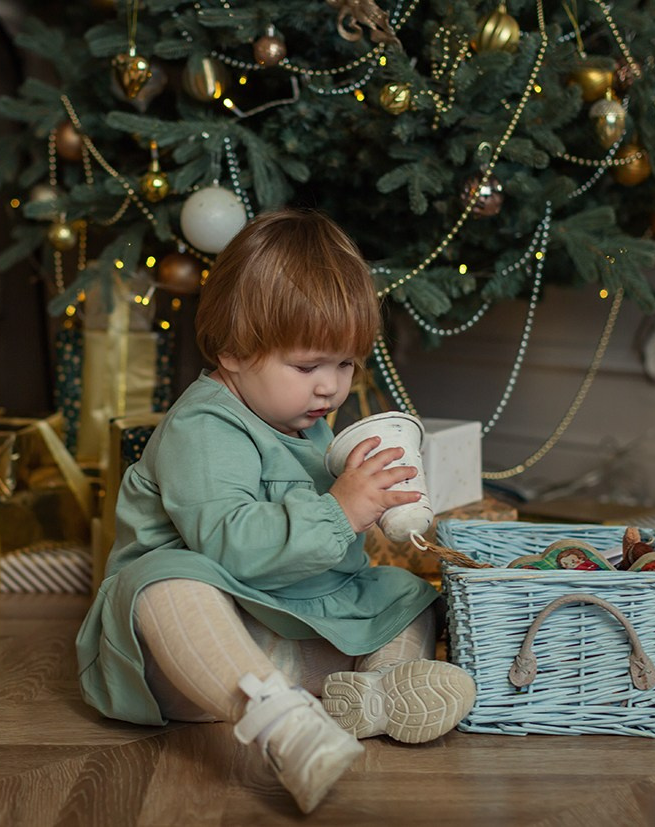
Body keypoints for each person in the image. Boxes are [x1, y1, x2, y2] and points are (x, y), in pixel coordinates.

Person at [75, 208, 475, 814]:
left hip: (282, 629)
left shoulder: (305, 424)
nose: (331, 388)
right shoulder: (205, 425)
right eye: (308, 366)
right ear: (234, 352)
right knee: (165, 584)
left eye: (345, 364)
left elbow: (333, 564)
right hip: (190, 653)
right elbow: (228, 546)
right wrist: (339, 510)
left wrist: (364, 507)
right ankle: (283, 728)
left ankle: (373, 696)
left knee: (404, 595)